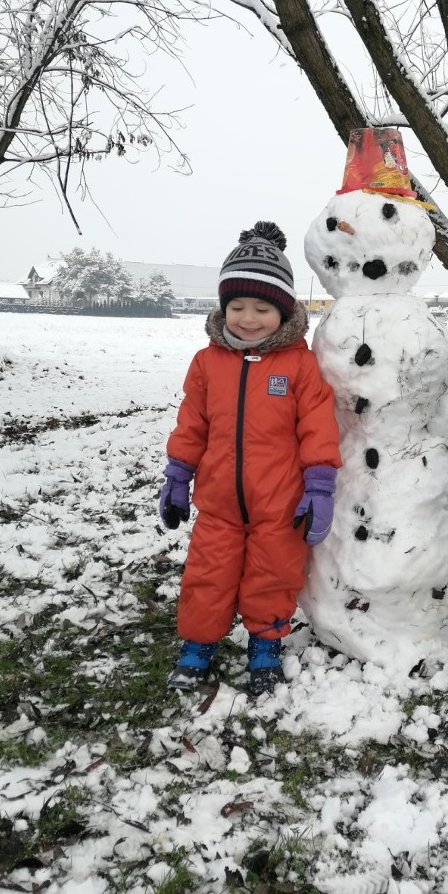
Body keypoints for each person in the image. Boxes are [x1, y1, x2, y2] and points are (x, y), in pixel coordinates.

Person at [159, 222, 341, 695]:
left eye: (262, 307)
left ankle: (265, 642)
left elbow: (316, 427)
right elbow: (192, 424)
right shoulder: (206, 362)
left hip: (280, 505)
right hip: (218, 502)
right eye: (237, 306)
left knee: (273, 574)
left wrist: (319, 486)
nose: (248, 318)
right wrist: (178, 474)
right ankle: (198, 646)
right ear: (223, 307)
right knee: (207, 574)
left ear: (283, 311)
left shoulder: (300, 366)